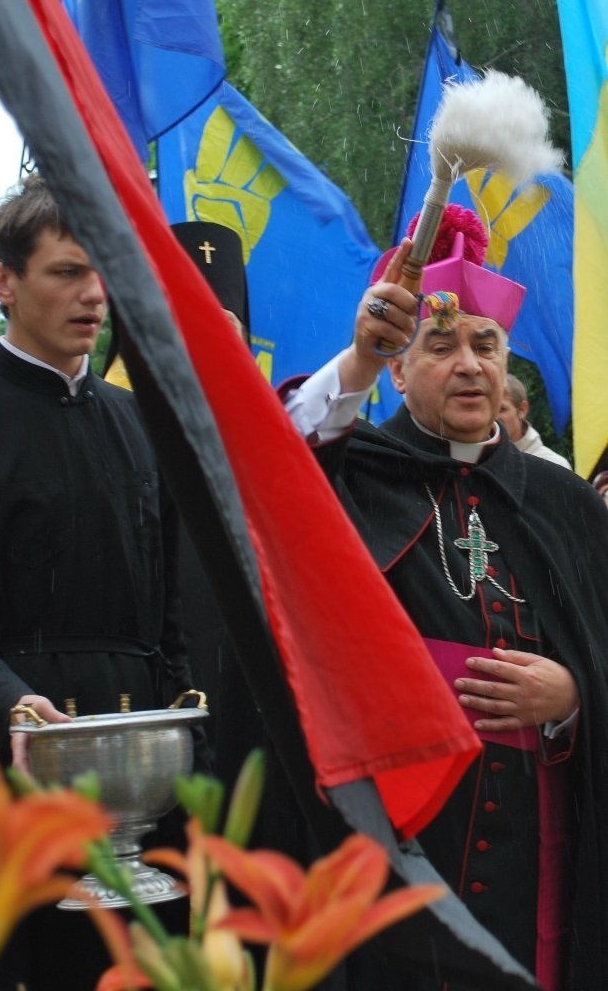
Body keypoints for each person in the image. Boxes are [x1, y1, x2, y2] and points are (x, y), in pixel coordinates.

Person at [283, 212, 608, 991]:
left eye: (486, 345)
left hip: (538, 834)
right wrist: (362, 352)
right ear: (397, 372)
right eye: (440, 345)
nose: (469, 365)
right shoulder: (351, 472)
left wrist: (574, 696)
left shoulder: (563, 500)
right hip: (397, 836)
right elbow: (275, 468)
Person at [0, 175, 194, 989]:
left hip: (145, 780)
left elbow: (173, 616)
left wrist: (187, 732)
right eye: (66, 272)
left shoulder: (141, 425)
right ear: (3, 281)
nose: (93, 295)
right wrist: (11, 705)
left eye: (100, 271)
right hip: (5, 769)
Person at [498, 373, 572, 469]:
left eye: (501, 409)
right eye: (489, 409)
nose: (493, 418)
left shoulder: (554, 466)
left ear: (522, 410)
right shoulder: (480, 461)